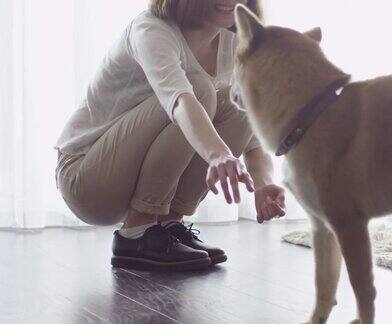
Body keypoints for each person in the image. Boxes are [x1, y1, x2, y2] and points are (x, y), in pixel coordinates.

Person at [54, 0, 286, 271]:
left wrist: (264, 184)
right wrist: (218, 154)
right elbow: (179, 101)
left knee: (239, 101)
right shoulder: (151, 29)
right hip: (88, 178)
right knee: (199, 89)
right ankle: (138, 231)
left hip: (132, 174)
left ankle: (168, 225)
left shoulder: (235, 44)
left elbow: (252, 132)